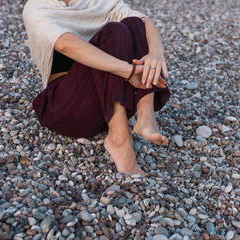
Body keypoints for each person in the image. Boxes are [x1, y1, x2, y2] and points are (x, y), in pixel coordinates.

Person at [22, 0, 170, 175]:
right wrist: (128, 71)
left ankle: (146, 117)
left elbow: (144, 21)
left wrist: (156, 52)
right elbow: (65, 44)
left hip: (101, 104)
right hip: (66, 108)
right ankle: (119, 139)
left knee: (134, 23)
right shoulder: (36, 7)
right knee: (114, 31)